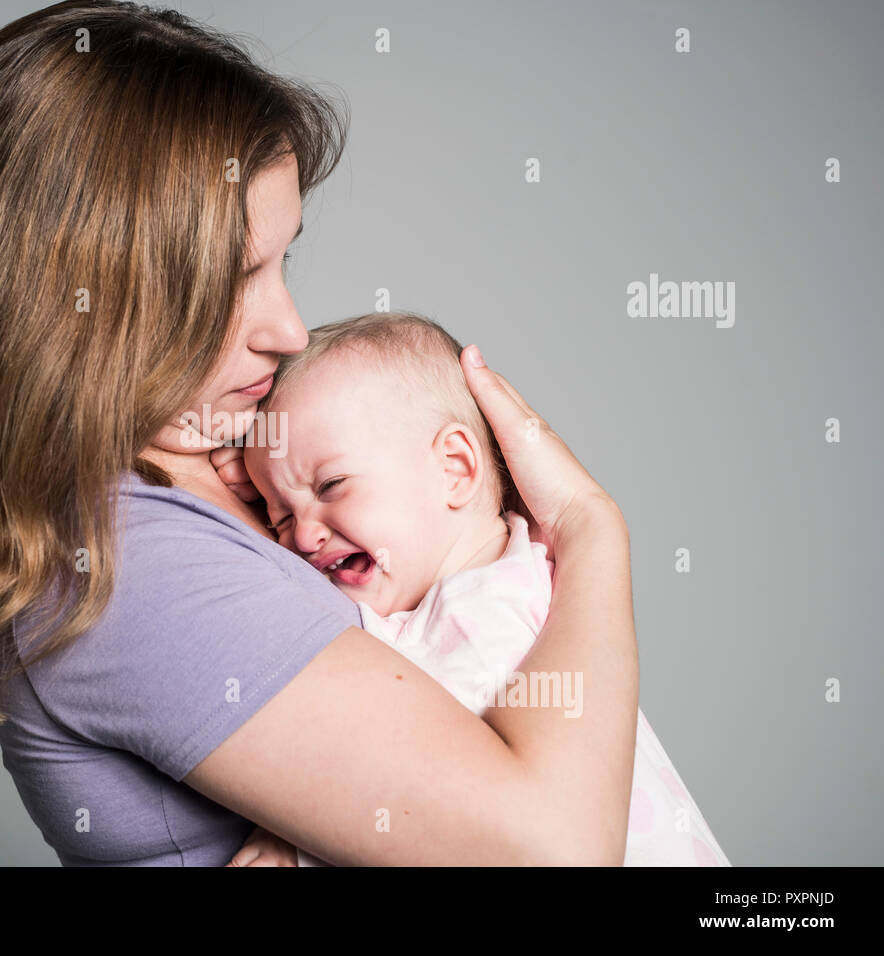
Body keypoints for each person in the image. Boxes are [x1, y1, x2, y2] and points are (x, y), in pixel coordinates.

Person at [0, 0, 639, 866]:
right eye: (232, 278)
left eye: (283, 260)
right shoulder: (121, 566)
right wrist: (592, 529)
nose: (290, 330)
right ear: (73, 300)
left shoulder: (240, 455)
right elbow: (555, 854)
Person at [236, 311, 729, 867]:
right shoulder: (518, 574)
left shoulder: (479, 612)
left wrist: (292, 834)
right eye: (276, 517)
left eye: (331, 485)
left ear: (455, 468)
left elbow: (423, 785)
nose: (302, 533)